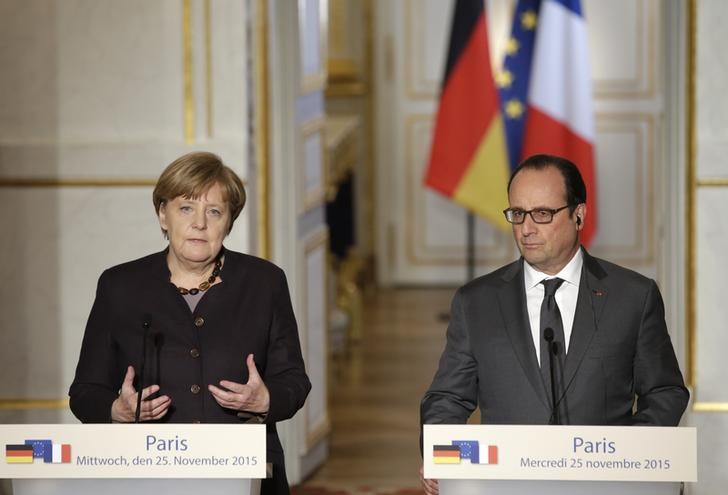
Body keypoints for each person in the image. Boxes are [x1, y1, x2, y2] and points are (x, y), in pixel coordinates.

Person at [419, 154, 689, 494]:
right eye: (517, 214)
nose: (526, 228)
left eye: (542, 214)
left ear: (579, 215)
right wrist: (439, 454)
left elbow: (664, 391)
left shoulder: (633, 296)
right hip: (505, 484)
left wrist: (631, 456)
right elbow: (447, 399)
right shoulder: (477, 302)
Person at [69, 151, 311, 495]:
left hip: (245, 474)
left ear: (228, 222)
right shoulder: (119, 286)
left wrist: (266, 400)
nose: (200, 223)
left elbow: (295, 381)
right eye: (186, 208)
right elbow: (83, 392)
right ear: (162, 214)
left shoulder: (265, 282)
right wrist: (116, 410)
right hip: (147, 475)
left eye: (214, 211)